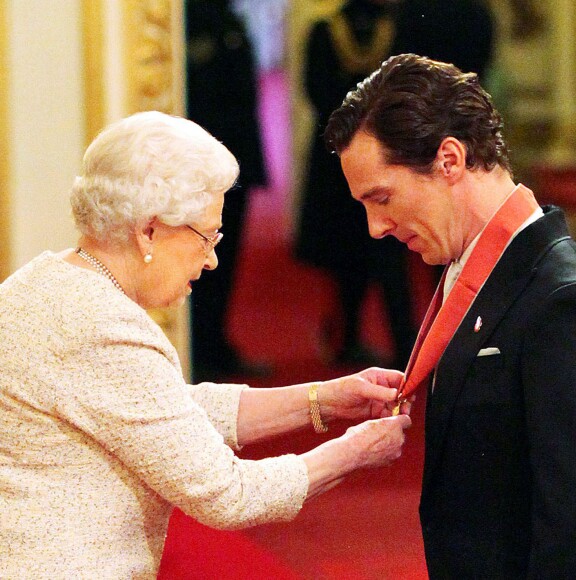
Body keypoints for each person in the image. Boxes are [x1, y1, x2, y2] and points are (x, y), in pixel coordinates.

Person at [0, 111, 413, 578]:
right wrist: (354, 453)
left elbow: (165, 410)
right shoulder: (102, 326)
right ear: (149, 229)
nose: (213, 259)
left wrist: (325, 399)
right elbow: (227, 494)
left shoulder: (45, 281)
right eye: (205, 236)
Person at [324, 54, 576, 578]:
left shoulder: (559, 301)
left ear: (449, 160)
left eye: (382, 198)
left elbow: (569, 523)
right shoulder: (475, 272)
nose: (375, 227)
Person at [295, 0, 417, 370]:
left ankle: (350, 342)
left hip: (336, 157)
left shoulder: (325, 31)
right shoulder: (396, 30)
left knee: (354, 256)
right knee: (388, 256)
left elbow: (314, 91)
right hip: (382, 155)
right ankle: (403, 347)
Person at [185, 0, 268, 380]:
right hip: (198, 168)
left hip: (234, 163)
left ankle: (215, 343)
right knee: (196, 261)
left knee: (225, 260)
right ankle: (200, 348)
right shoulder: (186, 18)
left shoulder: (229, 17)